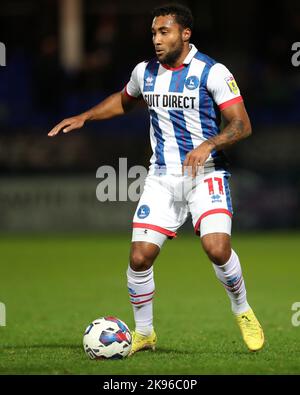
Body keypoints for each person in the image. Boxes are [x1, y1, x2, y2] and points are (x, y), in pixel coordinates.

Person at [48, 4, 264, 355]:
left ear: (185, 33)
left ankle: (242, 310)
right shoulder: (144, 72)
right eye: (153, 33)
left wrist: (208, 144)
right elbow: (123, 102)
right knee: (139, 258)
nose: (157, 39)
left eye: (164, 31)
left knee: (217, 249)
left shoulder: (212, 71)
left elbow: (242, 124)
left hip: (206, 174)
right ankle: (145, 333)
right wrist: (86, 116)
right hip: (162, 178)